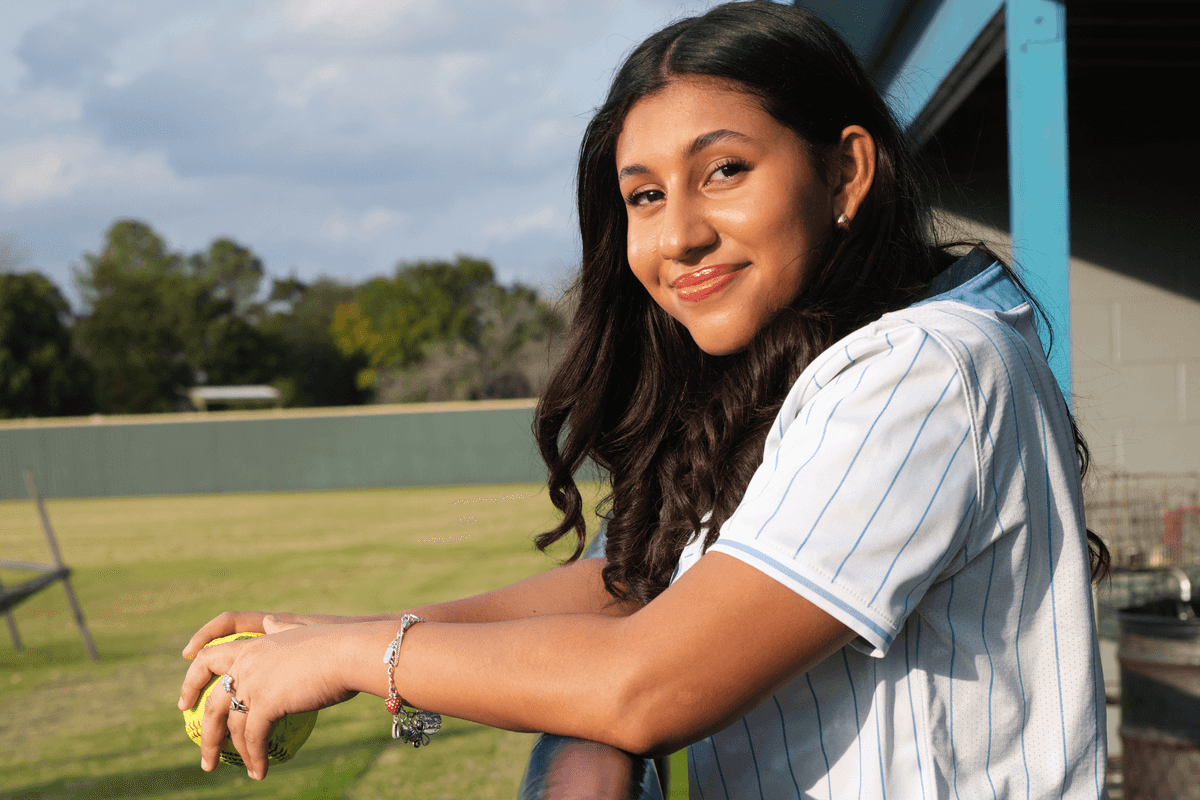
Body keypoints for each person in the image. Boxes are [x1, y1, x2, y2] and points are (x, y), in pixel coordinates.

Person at [179, 3, 1110, 797]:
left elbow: (648, 684)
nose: (679, 236)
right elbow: (635, 584)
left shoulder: (927, 368)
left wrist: (359, 659)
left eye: (725, 171)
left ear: (845, 172)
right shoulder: (802, 364)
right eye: (646, 195)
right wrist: (356, 631)